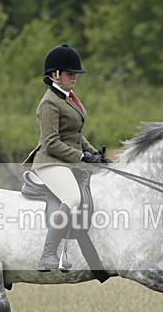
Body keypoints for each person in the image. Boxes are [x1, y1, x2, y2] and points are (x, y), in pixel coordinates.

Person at [23, 43, 110, 271]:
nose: (75, 78)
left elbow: (75, 135)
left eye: (75, 74)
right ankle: (48, 253)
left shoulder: (69, 97)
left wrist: (95, 155)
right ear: (55, 75)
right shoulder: (49, 103)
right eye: (70, 74)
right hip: (50, 162)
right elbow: (51, 142)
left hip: (66, 159)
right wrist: (82, 157)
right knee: (72, 198)